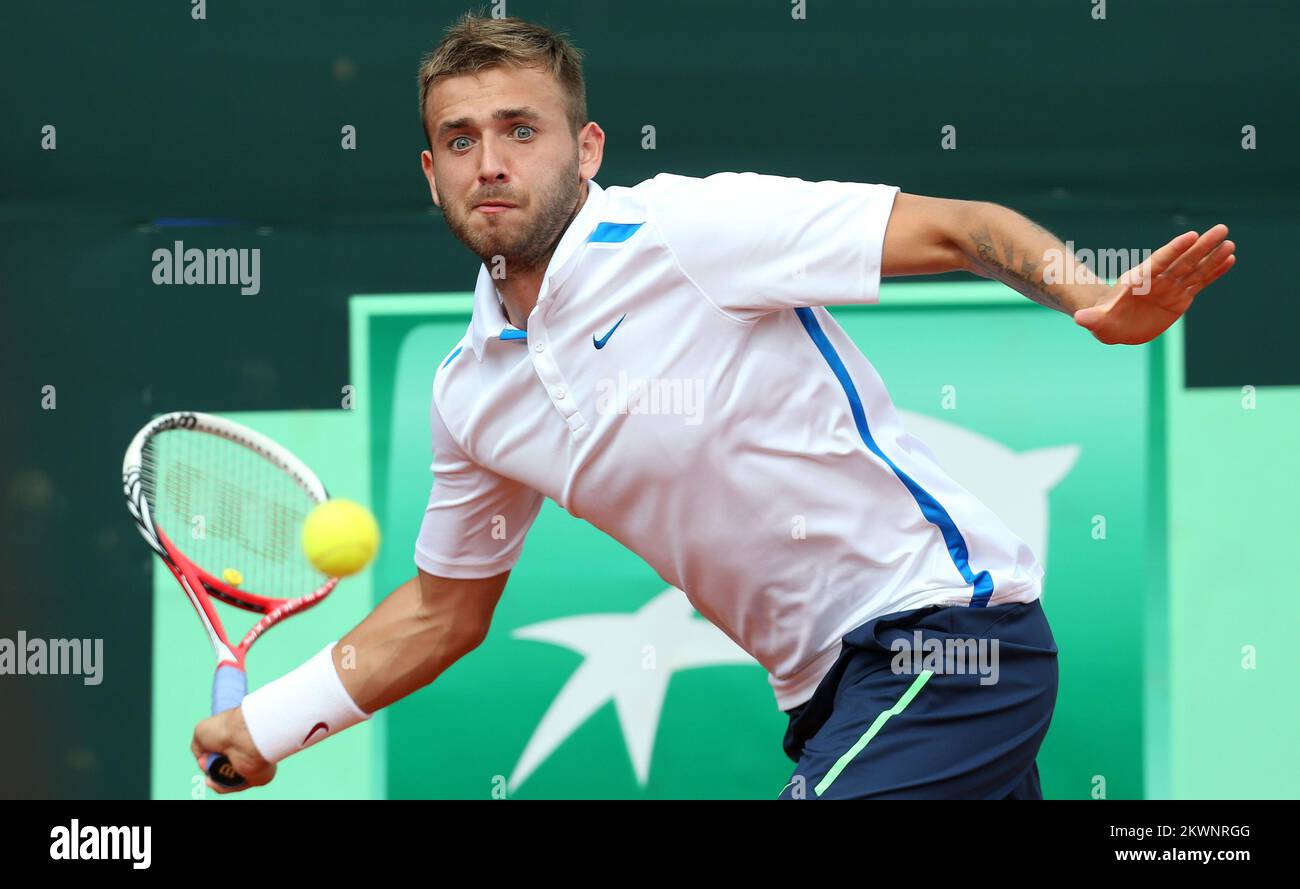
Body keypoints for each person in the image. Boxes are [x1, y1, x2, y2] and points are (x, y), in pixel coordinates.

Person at [192, 12, 1235, 799]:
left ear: (587, 148)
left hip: (949, 641)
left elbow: (958, 226)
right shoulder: (472, 394)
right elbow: (440, 613)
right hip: (827, 699)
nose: (492, 161)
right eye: (460, 141)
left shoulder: (691, 231)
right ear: (431, 174)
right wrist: (273, 724)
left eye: (520, 129)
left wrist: (1090, 294)